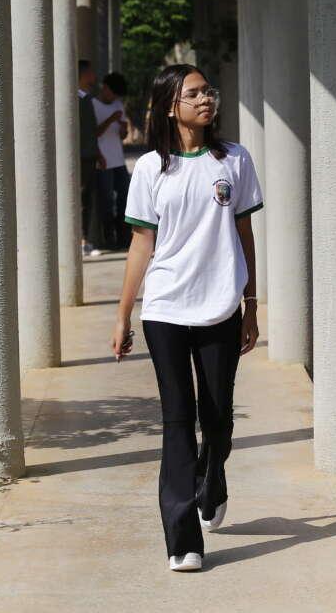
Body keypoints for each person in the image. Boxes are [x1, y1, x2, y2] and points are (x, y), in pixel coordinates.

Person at [110, 64, 263, 573]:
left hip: (220, 305)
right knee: (178, 420)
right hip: (167, 310)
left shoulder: (234, 159)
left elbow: (244, 235)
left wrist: (251, 304)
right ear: (170, 105)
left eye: (208, 92)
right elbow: (141, 244)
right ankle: (183, 538)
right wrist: (124, 314)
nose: (206, 100)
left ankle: (212, 478)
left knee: (217, 417)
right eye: (193, 94)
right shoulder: (152, 168)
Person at [92, 72, 130, 250]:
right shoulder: (92, 104)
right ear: (105, 88)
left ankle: (124, 236)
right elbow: (93, 134)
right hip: (103, 161)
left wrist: (123, 128)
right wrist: (110, 120)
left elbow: (122, 136)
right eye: (112, 93)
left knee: (125, 198)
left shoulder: (118, 104)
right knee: (107, 202)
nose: (114, 97)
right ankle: (109, 238)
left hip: (119, 160)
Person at [77, 59, 104, 256]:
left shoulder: (87, 98)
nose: (94, 76)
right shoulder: (76, 99)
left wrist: (97, 153)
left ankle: (86, 239)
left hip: (89, 155)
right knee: (79, 198)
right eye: (91, 72)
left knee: (88, 198)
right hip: (78, 156)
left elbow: (90, 132)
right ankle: (80, 239)